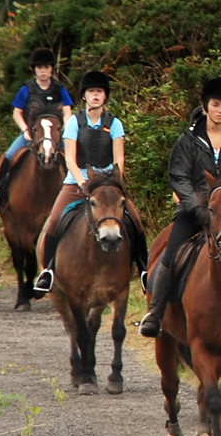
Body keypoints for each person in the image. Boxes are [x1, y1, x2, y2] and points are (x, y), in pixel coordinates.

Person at [138, 77, 221, 338]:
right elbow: (178, 175)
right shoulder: (188, 140)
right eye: (216, 105)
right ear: (205, 105)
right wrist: (196, 205)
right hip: (195, 212)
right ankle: (155, 312)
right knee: (169, 255)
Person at [32, 71, 148, 295]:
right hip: (77, 182)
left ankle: (144, 271)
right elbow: (70, 158)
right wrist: (83, 181)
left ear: (105, 97)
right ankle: (47, 272)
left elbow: (119, 158)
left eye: (100, 92)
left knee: (135, 221)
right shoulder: (75, 122)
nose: (96, 95)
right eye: (91, 92)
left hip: (107, 184)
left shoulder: (114, 123)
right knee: (54, 222)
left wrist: (114, 180)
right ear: (84, 96)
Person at [0, 46, 73, 206]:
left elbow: (67, 111)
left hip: (55, 133)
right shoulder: (26, 89)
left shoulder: (59, 88)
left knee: (75, 156)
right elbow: (17, 112)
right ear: (34, 69)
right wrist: (25, 130)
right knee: (9, 156)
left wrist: (64, 129)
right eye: (39, 67)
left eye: (46, 67)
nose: (43, 71)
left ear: (51, 69)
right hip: (32, 132)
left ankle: (84, 189)